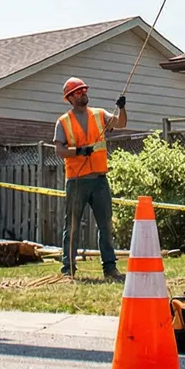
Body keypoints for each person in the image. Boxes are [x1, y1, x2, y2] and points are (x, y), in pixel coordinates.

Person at [53, 76, 127, 282]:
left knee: (106, 225)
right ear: (70, 98)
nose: (83, 94)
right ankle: (68, 269)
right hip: (77, 181)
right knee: (72, 226)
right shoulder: (63, 122)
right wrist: (79, 151)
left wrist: (122, 108)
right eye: (78, 92)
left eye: (84, 90)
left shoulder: (99, 114)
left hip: (99, 180)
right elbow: (59, 150)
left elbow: (121, 123)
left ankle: (110, 269)